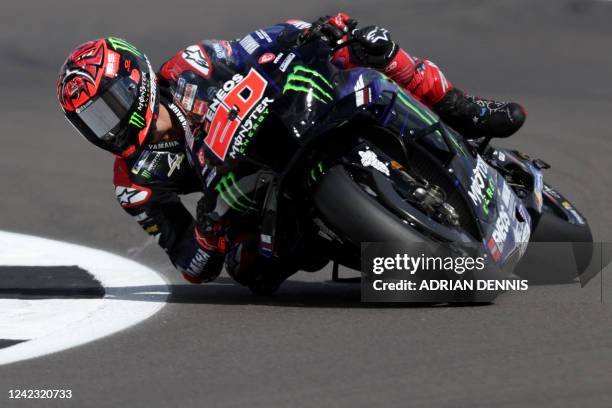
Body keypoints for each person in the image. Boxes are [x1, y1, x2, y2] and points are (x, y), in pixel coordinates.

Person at [56, 13, 526, 287]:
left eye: (108, 106)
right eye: (92, 120)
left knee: (366, 46)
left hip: (288, 117)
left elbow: (254, 46)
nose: (108, 125)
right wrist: (204, 234)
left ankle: (461, 109)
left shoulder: (190, 68)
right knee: (248, 271)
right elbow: (190, 265)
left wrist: (310, 33)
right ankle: (355, 239)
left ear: (134, 80)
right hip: (247, 197)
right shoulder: (134, 182)